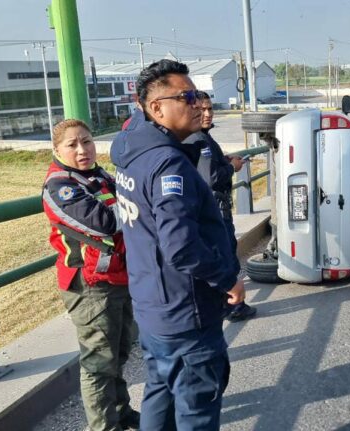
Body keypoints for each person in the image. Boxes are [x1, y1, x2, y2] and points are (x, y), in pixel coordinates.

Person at [110, 59, 245, 431]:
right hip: (185, 311)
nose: (199, 103)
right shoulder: (169, 165)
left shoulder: (128, 147)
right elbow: (181, 246)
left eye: (198, 95)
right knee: (197, 408)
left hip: (153, 306)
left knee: (159, 392)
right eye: (187, 96)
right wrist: (226, 279)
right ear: (157, 108)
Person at [42, 119, 139, 431]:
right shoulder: (60, 186)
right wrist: (139, 205)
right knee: (99, 362)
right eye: (72, 145)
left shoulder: (98, 175)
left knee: (119, 351)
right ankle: (102, 426)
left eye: (87, 141)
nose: (82, 149)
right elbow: (103, 223)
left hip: (117, 277)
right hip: (90, 285)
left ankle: (121, 413)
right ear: (57, 150)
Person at [184, 92, 257, 322]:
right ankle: (233, 306)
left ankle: (227, 304)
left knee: (224, 252)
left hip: (213, 205)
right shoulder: (198, 139)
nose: (206, 114)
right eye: (201, 110)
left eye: (209, 109)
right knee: (225, 255)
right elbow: (210, 177)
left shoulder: (201, 137)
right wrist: (232, 167)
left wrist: (224, 160)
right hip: (215, 206)